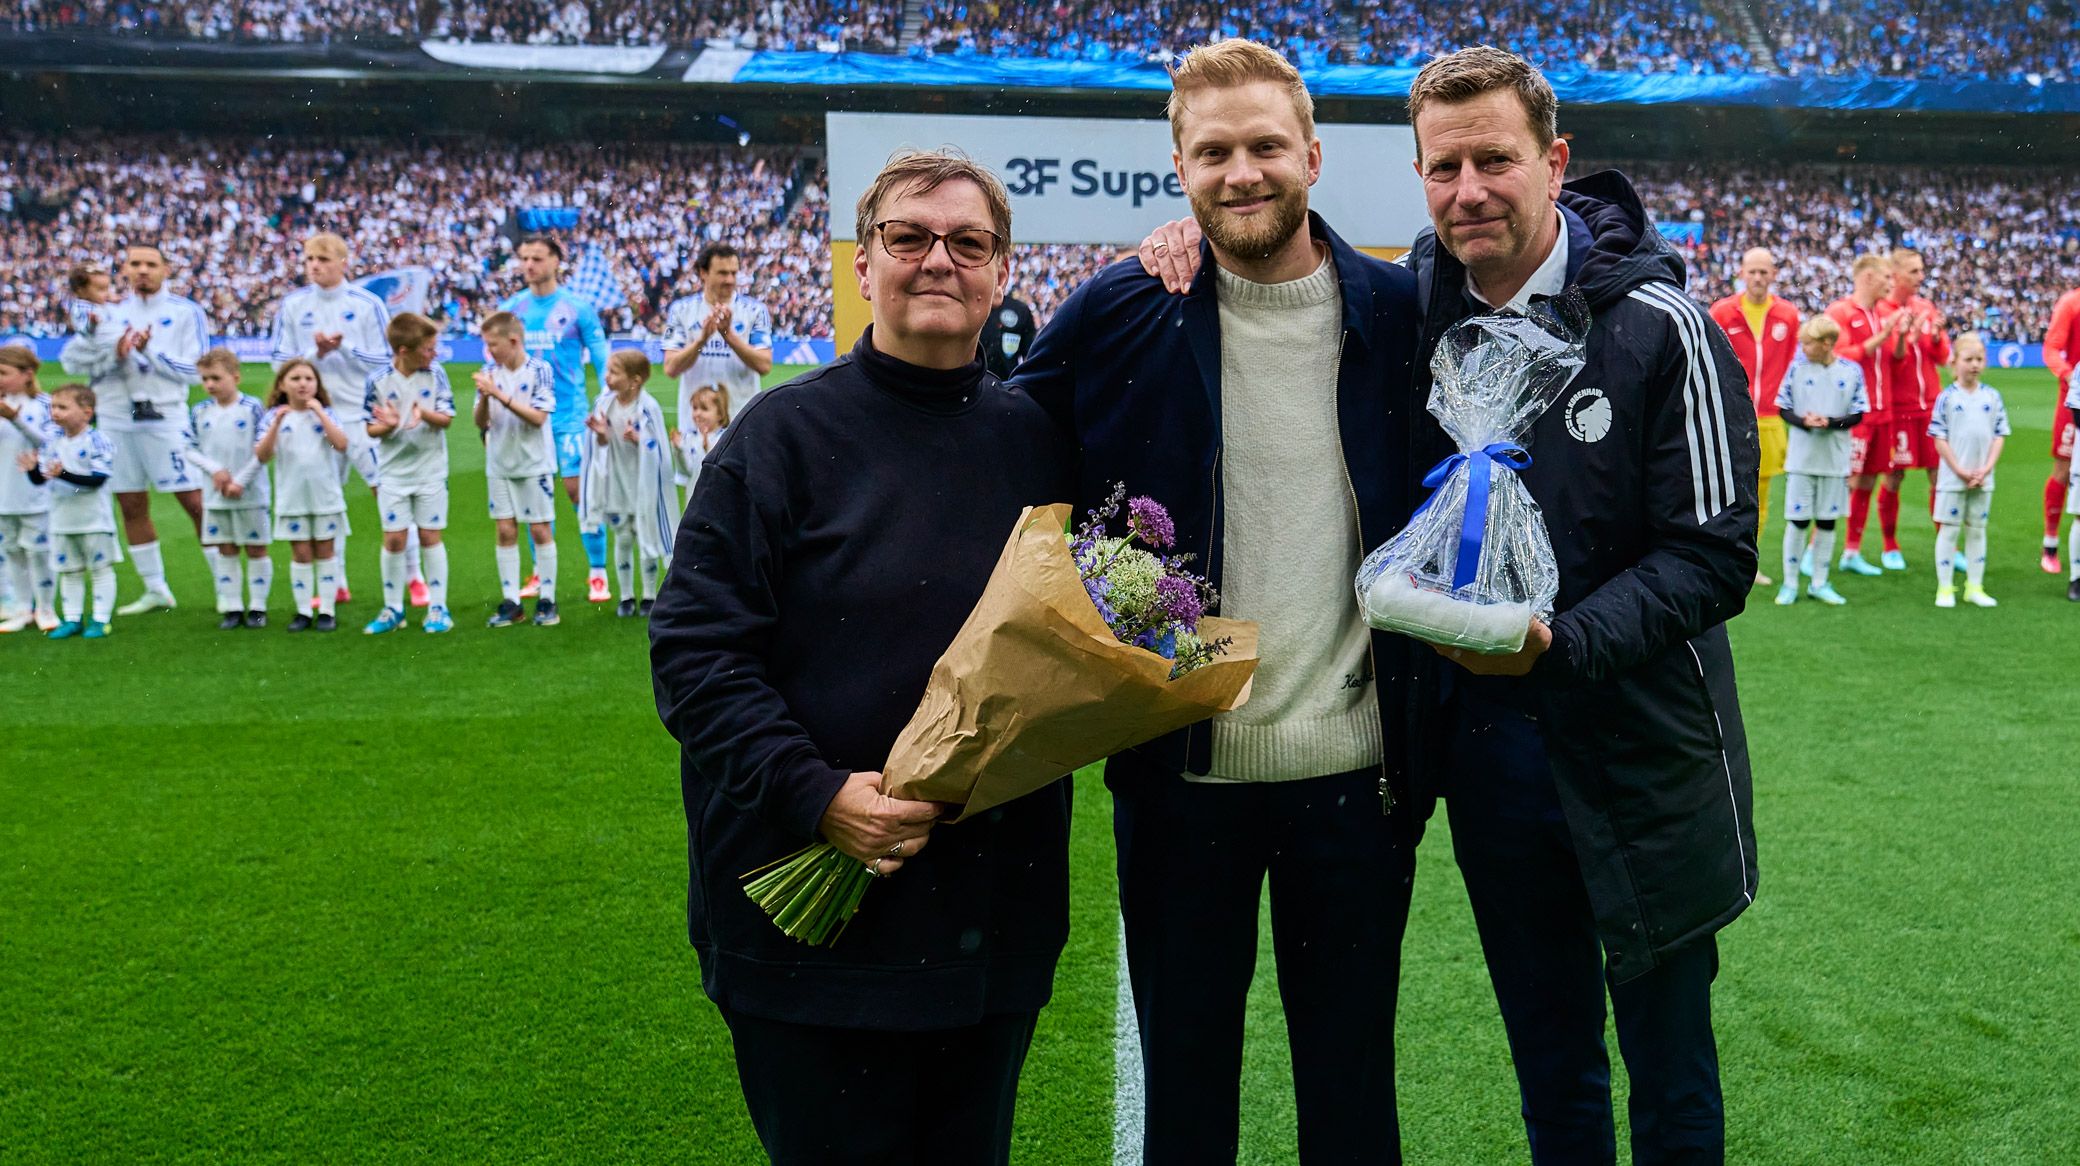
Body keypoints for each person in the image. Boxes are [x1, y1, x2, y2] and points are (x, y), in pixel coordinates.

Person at [1141, 44, 1761, 1162]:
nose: (1468, 189)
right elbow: (1268, 266)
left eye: (1494, 160)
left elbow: (1714, 557)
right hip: (1484, 756)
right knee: (1553, 1066)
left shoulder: (1662, 325)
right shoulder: (1408, 304)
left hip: (1641, 753)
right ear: (1415, 174)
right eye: (1442, 167)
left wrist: (1560, 644)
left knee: (1671, 1073)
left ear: (1554, 161)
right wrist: (1181, 238)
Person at [1035, 39, 1429, 1164]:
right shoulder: (1120, 307)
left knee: (1353, 1099)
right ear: (1178, 168)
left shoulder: (1397, 313)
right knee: (1187, 1100)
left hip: (1357, 778)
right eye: (1214, 152)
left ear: (1311, 151)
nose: (1241, 170)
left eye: (1264, 144)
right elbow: (995, 450)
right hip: (1178, 778)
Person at [649, 148, 1070, 1166]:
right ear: (862, 265)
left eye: (968, 242)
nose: (938, 260)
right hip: (809, 927)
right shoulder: (778, 435)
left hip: (987, 921)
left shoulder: (1036, 440)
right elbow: (695, 651)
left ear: (1002, 271)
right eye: (907, 237)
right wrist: (815, 792)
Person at [64, 243, 209, 615]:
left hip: (165, 415)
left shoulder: (185, 312)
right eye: (135, 264)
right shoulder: (108, 314)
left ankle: (225, 584)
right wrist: (117, 352)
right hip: (115, 416)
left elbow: (196, 371)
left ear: (165, 270)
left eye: (151, 264)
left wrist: (149, 352)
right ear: (124, 270)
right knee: (130, 502)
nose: (142, 270)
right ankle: (156, 589)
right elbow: (73, 360)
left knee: (194, 501)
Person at [268, 232, 404, 609]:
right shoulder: (294, 305)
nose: (315, 265)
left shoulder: (367, 303)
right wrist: (315, 351)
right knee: (328, 497)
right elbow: (279, 363)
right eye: (310, 259)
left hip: (361, 415)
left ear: (343, 263)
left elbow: (384, 362)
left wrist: (342, 347)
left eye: (324, 259)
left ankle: (412, 575)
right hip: (316, 417)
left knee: (386, 490)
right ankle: (337, 581)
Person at [500, 234, 614, 603]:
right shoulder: (512, 309)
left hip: (569, 416)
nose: (529, 265)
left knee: (577, 492)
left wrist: (606, 399)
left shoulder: (577, 308)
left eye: (536, 258)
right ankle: (538, 572)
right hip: (528, 418)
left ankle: (597, 572)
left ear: (555, 262)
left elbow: (602, 358)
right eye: (524, 258)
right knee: (533, 496)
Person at [1709, 247, 1799, 586]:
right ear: (1741, 273)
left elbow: (1788, 362)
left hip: (1770, 420)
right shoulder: (1723, 311)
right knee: (1725, 492)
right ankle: (1718, 558)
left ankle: (1749, 564)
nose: (1758, 278)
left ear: (1773, 274)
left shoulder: (1788, 314)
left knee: (1760, 497)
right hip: (1733, 417)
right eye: (1753, 271)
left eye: (1764, 272)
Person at [361, 313, 456, 636]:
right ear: (404, 350)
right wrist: (386, 426)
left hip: (431, 469)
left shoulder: (436, 375)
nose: (434, 354)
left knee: (430, 536)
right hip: (392, 473)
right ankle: (392, 608)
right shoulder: (377, 380)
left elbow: (447, 418)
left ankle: (438, 607)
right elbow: (370, 428)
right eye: (428, 349)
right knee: (394, 538)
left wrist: (423, 414)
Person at [474, 311, 561, 629]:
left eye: (492, 344)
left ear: (513, 341)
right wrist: (485, 399)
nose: (489, 351)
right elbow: (479, 422)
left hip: (534, 462)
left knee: (539, 529)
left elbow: (539, 417)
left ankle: (547, 599)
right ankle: (511, 601)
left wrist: (498, 394)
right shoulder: (488, 372)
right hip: (498, 463)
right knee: (505, 530)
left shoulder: (540, 370)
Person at [661, 242, 772, 489]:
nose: (730, 280)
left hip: (740, 421)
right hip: (696, 423)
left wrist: (728, 335)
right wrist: (701, 339)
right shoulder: (681, 311)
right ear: (703, 273)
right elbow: (671, 367)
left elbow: (764, 364)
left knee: (741, 496)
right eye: (722, 273)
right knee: (698, 496)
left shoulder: (754, 311)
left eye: (734, 272)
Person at [1773, 316, 1866, 607]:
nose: (1803, 347)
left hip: (1835, 460)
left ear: (1826, 344)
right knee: (1798, 521)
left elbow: (1859, 413)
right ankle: (1789, 583)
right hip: (1801, 460)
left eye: (1808, 343)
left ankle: (1819, 583)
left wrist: (1830, 423)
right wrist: (1803, 421)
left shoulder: (1851, 371)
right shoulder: (1797, 368)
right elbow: (1782, 407)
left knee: (1826, 523)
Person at [1826, 254, 1906, 577]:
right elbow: (1841, 356)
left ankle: (1851, 550)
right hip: (1854, 413)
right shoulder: (1841, 312)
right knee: (1844, 482)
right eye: (1887, 277)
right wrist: (1883, 336)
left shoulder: (1879, 314)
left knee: (1869, 480)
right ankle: (1814, 552)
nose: (1891, 283)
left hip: (1882, 411)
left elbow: (1891, 362)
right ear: (1869, 277)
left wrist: (1899, 337)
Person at [255, 360, 350, 633]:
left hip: (325, 495)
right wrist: (276, 424)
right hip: (292, 496)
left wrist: (320, 413)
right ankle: (303, 610)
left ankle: (327, 611)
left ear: (317, 384)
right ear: (283, 384)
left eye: (309, 378)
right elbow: (262, 455)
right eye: (295, 378)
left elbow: (341, 444)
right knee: (301, 552)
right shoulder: (273, 416)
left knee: (326, 550)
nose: (303, 383)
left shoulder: (326, 413)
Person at [20, 384, 120, 639]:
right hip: (62, 520)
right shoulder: (51, 441)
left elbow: (97, 479)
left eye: (63, 407)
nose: (55, 412)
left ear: (86, 413)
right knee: (70, 571)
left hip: (95, 520)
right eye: (53, 406)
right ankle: (72, 618)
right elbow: (42, 479)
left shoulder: (98, 440)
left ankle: (100, 619)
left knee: (100, 570)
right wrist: (32, 469)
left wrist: (63, 474)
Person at [581, 350, 675, 618]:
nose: (607, 377)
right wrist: (602, 436)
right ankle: (625, 596)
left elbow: (658, 451)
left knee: (646, 534)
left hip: (643, 483)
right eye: (608, 371)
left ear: (634, 380)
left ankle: (648, 595)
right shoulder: (603, 404)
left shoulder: (649, 407)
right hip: (616, 481)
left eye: (614, 372)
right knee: (622, 535)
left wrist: (640, 440)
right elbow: (598, 448)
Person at [187, 348, 273, 629]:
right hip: (216, 494)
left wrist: (241, 480)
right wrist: (215, 470)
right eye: (205, 379)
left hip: (250, 492)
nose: (210, 384)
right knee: (226, 548)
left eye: (216, 378)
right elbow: (188, 448)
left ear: (235, 377)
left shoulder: (252, 408)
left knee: (256, 548)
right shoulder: (199, 411)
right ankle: (233, 607)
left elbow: (263, 449)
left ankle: (258, 607)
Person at [1877, 247, 1952, 565]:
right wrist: (1904, 335)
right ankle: (1890, 545)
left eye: (1921, 270)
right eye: (1914, 272)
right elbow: (1891, 361)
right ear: (1895, 276)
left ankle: (1945, 544)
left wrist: (1935, 336)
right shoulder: (1883, 310)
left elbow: (1942, 356)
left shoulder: (1926, 307)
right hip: (1899, 407)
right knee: (1894, 476)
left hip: (1932, 406)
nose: (1921, 277)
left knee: (1940, 474)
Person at [1927, 333, 2008, 608]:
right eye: (1968, 359)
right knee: (1948, 531)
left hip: (1983, 477)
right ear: (1955, 362)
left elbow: (1999, 435)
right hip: (1953, 477)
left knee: (1977, 530)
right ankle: (1945, 587)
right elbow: (1939, 438)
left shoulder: (1992, 397)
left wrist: (1985, 468)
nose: (1974, 365)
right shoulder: (1946, 398)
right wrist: (1959, 469)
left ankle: (1975, 586)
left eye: (1979, 359)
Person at [0, 346, 58, 632]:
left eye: (4, 373)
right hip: (3, 491)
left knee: (39, 552)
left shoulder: (45, 405)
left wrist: (15, 419)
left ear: (27, 374)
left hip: (35, 493)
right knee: (11, 551)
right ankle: (20, 608)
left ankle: (46, 608)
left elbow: (51, 442)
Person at [2042, 284, 2079, 574]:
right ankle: (2050, 544)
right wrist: (2071, 376)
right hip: (2074, 401)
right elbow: (2052, 349)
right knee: (2063, 470)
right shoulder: (2071, 303)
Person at [669, 384, 729, 503]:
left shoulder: (725, 438)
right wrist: (678, 449)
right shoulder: (689, 437)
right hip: (693, 500)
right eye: (695, 408)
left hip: (716, 501)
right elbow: (686, 470)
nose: (698, 413)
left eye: (704, 409)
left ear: (720, 414)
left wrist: (709, 450)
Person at [977, 287, 1037, 379]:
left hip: (1007, 382)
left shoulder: (1020, 310)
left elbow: (1029, 353)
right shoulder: (974, 307)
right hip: (976, 381)